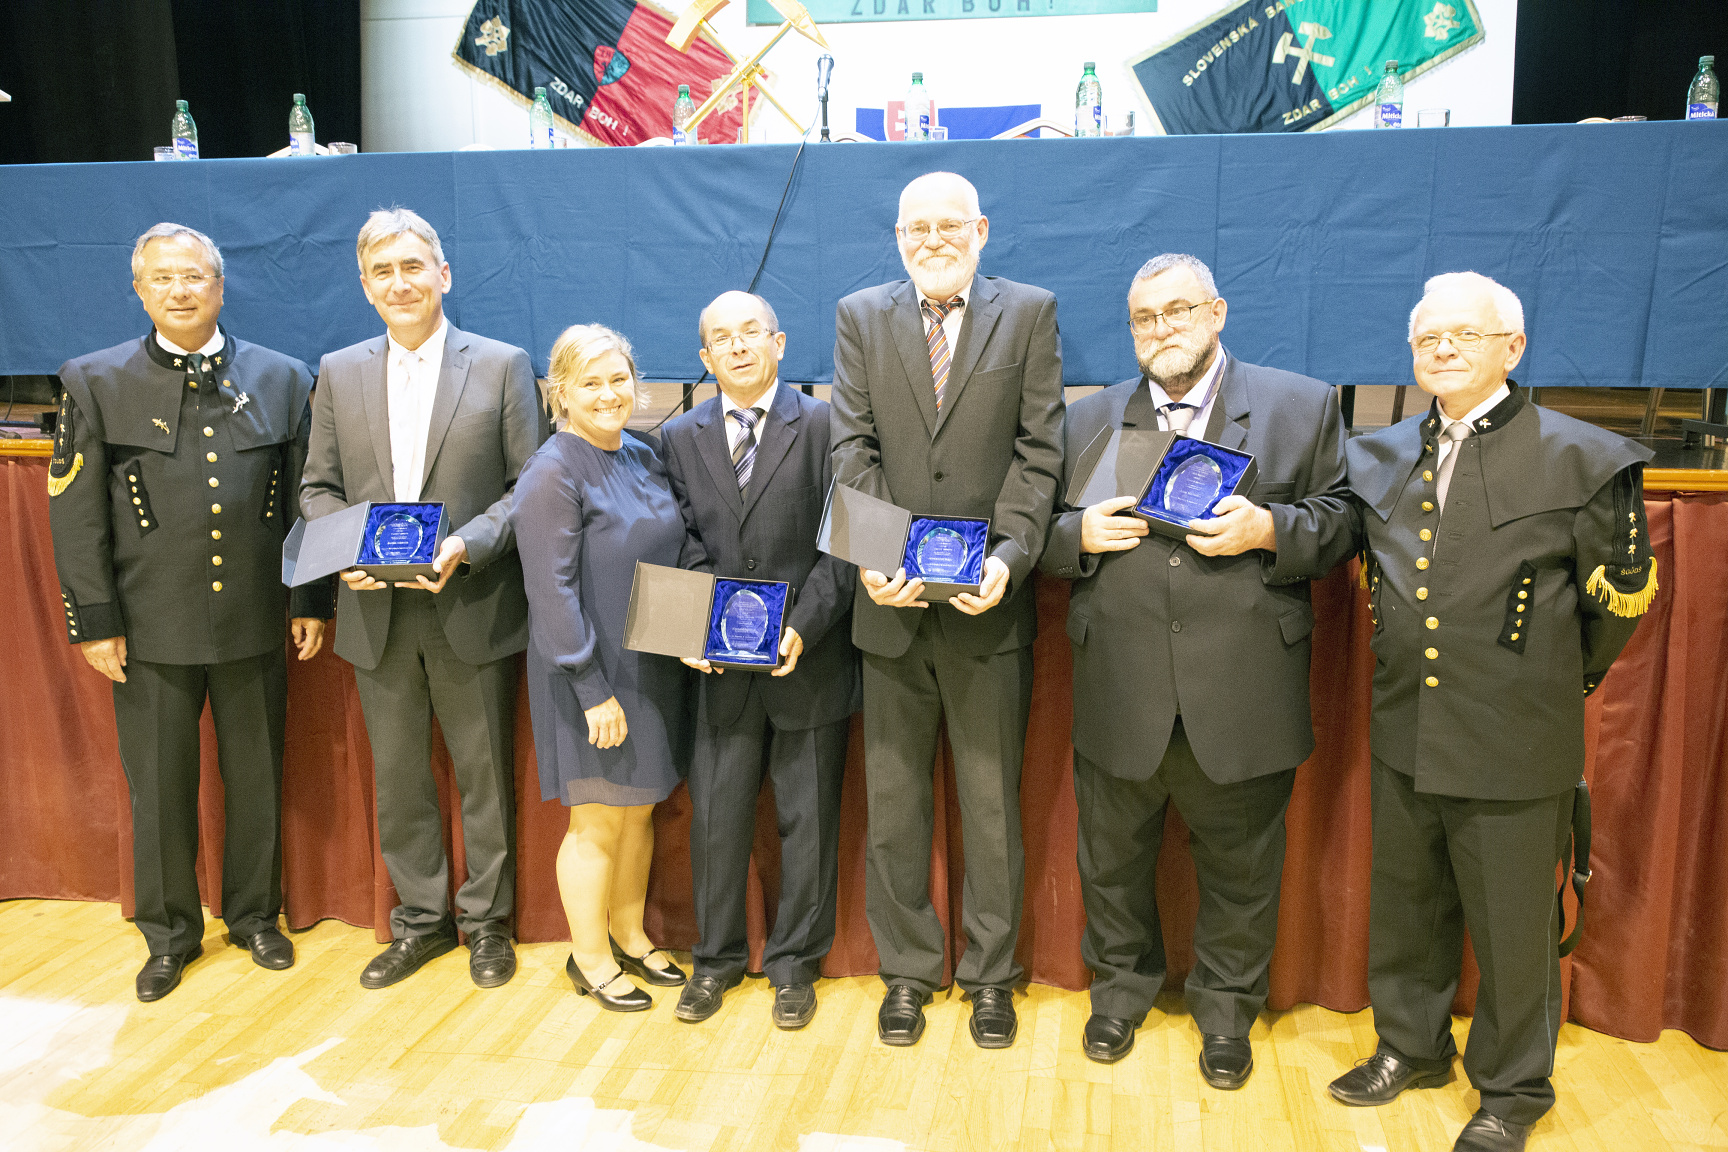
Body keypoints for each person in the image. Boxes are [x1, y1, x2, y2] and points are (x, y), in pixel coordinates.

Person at [1276, 272, 1655, 1152]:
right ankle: (1411, 1048)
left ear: (1513, 348)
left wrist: (1542, 683)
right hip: (1406, 724)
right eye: (1428, 337)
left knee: (1515, 929)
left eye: (1466, 335)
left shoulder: (1583, 457)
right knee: (1407, 905)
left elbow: (1615, 606)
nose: (1442, 348)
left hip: (1517, 735)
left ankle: (1515, 1091)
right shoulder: (1379, 453)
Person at [1039, 253, 1352, 1077]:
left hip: (1243, 689)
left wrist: (1269, 529)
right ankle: (1119, 995)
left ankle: (1226, 1013)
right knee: (1110, 863)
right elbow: (1036, 527)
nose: (1161, 330)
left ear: (1216, 313)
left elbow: (1342, 521)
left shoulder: (1300, 405)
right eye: (1144, 318)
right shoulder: (1087, 419)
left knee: (1243, 871)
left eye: (1178, 311)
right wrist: (1075, 536)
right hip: (1120, 684)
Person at [47, 223, 331, 1001]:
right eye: (163, 279)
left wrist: (310, 596)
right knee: (161, 789)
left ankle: (254, 916)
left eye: (194, 276)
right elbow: (76, 515)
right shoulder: (93, 381)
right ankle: (168, 935)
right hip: (148, 627)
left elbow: (306, 501)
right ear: (140, 291)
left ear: (220, 286)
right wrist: (95, 620)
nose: (180, 291)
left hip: (254, 617)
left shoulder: (281, 378)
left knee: (257, 778)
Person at [830, 171, 1065, 1049]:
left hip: (988, 607)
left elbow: (1040, 453)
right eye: (915, 228)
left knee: (990, 804)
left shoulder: (1029, 313)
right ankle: (906, 971)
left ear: (981, 229)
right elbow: (851, 447)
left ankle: (992, 976)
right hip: (889, 608)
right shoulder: (860, 316)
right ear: (897, 238)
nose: (932, 240)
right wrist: (877, 553)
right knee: (894, 805)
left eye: (948, 225)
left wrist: (1009, 557)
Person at [300, 207, 547, 991]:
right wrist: (345, 550)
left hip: (469, 599)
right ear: (365, 286)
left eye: (413, 266)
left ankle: (488, 924)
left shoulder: (502, 365)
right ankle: (419, 920)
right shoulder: (338, 371)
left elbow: (528, 486)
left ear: (443, 274)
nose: (400, 283)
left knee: (484, 774)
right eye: (383, 271)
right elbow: (317, 487)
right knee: (399, 776)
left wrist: (467, 544)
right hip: (375, 613)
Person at [660, 291, 856, 1029]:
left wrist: (804, 624)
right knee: (715, 822)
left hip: (810, 659)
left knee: (809, 822)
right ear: (705, 357)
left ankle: (796, 965)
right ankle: (714, 961)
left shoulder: (829, 425)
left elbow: (846, 539)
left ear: (779, 342)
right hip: (719, 672)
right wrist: (707, 621)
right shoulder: (677, 436)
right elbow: (681, 538)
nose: (738, 346)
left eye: (751, 332)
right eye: (722, 338)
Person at [512, 324, 691, 1011]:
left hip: (650, 670)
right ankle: (588, 959)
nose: (609, 394)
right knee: (596, 822)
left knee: (639, 812)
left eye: (619, 379)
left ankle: (630, 935)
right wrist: (591, 690)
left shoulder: (643, 454)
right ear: (560, 393)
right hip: (588, 676)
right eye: (590, 382)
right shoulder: (551, 471)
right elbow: (550, 592)